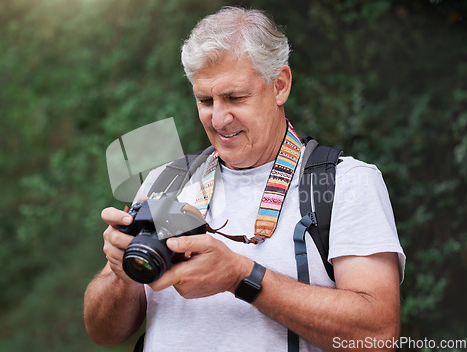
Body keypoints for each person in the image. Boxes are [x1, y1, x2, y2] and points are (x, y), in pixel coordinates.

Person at [84, 6, 405, 352]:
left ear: (279, 86)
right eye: (205, 100)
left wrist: (241, 276)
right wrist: (120, 272)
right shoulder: (166, 182)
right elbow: (104, 334)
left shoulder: (346, 183)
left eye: (235, 97)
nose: (219, 118)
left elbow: (378, 334)